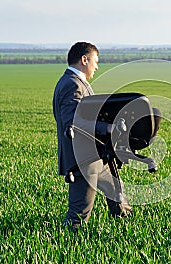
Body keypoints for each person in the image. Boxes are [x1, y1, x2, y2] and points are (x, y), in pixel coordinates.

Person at [52, 42, 132, 230]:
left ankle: (126, 225)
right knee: (79, 214)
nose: (97, 67)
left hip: (94, 157)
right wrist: (108, 128)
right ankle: (69, 243)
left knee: (116, 191)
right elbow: (72, 121)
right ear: (84, 59)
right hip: (83, 160)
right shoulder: (72, 84)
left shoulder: (77, 82)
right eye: (95, 61)